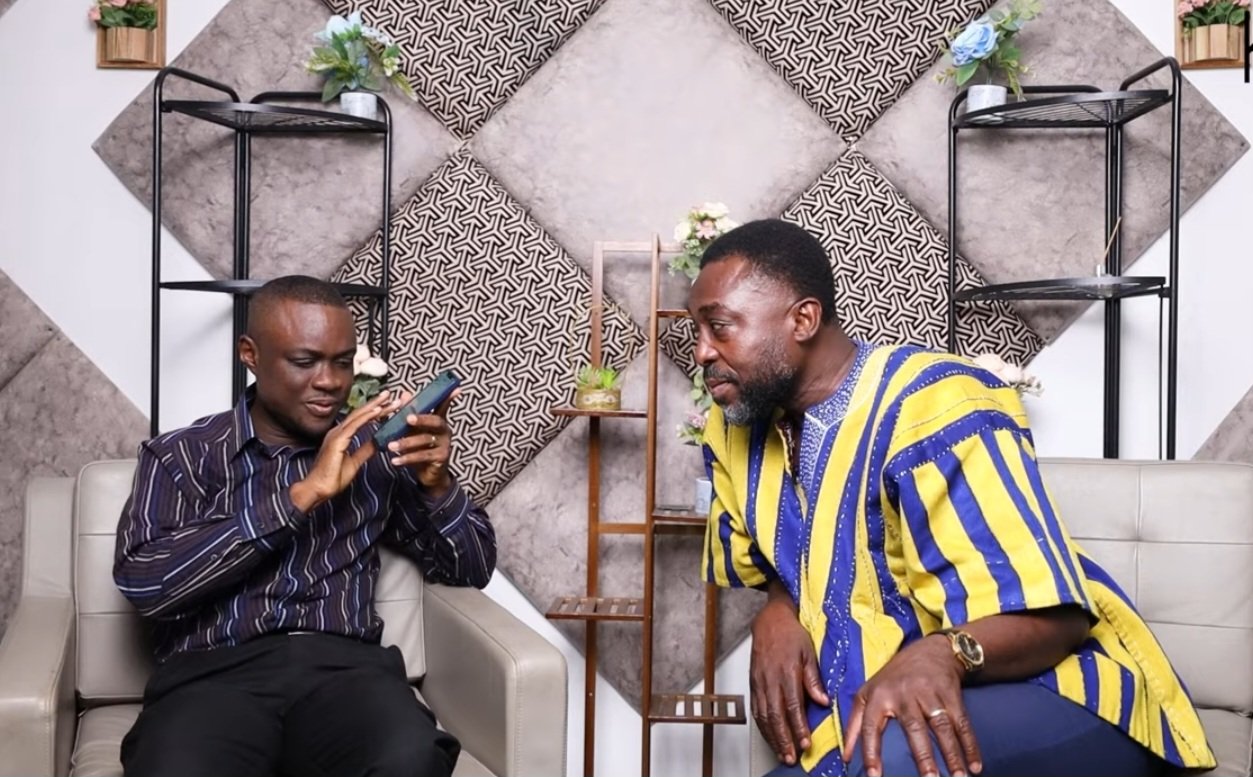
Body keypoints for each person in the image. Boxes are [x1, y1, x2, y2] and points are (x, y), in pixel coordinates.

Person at [691, 220, 1214, 777]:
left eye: (720, 327)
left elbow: (1059, 619)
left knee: (881, 763)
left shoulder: (937, 404)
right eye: (697, 331)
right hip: (880, 699)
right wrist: (778, 607)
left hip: (1056, 687)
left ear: (803, 319)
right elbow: (776, 556)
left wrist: (942, 652)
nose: (701, 352)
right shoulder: (733, 429)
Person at [114, 275, 495, 777]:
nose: (331, 382)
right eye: (305, 361)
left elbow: (471, 568)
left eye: (342, 361)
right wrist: (301, 497)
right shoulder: (180, 456)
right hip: (211, 679)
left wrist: (437, 484)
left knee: (411, 759)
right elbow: (147, 585)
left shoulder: (375, 457)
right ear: (249, 354)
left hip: (347, 674)